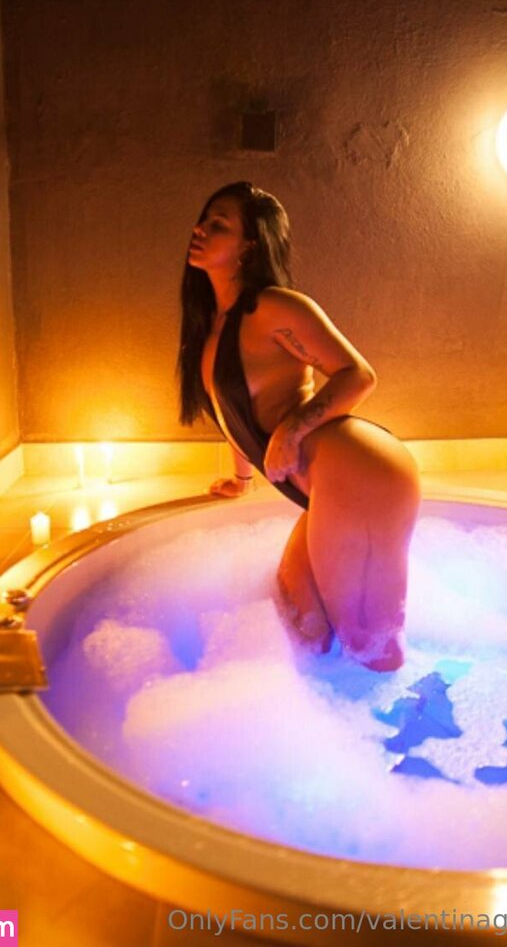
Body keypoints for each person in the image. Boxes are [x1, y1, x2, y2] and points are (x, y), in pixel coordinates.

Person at [176, 181, 421, 671]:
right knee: (302, 621)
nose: (200, 229)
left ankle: (445, 718)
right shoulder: (215, 325)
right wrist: (242, 479)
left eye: (219, 224)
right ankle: (332, 713)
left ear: (250, 245)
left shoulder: (273, 307)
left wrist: (289, 434)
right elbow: (236, 410)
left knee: (371, 647)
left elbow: (357, 374)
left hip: (360, 472)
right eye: (204, 219)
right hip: (329, 486)